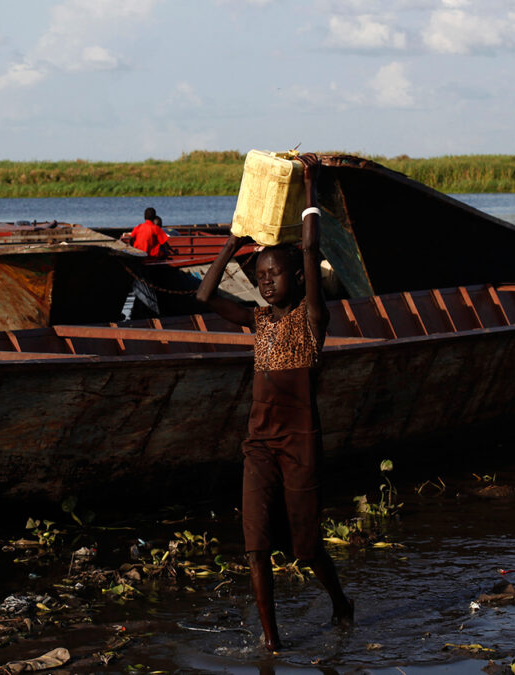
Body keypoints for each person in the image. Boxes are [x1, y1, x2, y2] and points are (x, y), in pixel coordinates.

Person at [195, 153, 353, 651]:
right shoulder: (258, 321)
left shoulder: (311, 320)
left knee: (306, 550)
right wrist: (234, 241)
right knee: (256, 547)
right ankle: (272, 641)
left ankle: (340, 602)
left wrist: (309, 185)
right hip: (258, 446)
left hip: (300, 446)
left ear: (299, 279)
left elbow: (309, 248)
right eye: (260, 275)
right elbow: (202, 298)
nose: (266, 281)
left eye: (274, 274)